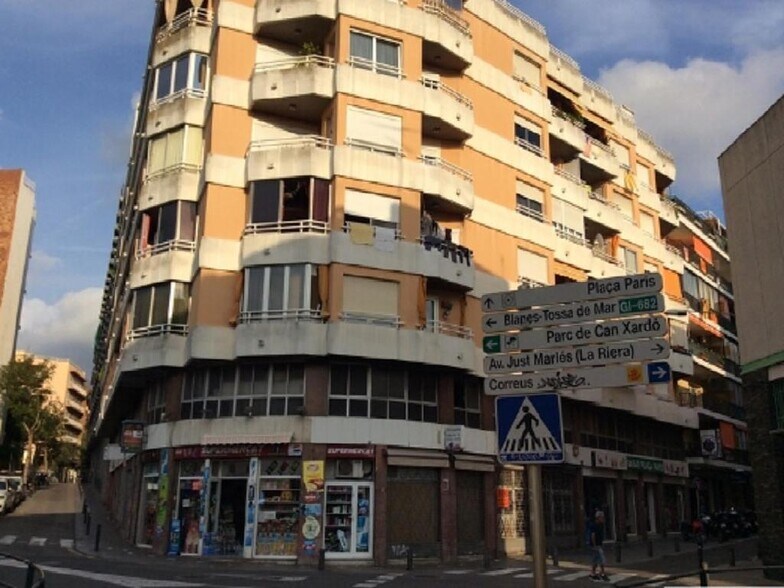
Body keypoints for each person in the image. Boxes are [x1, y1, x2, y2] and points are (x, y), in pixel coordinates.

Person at [589, 510, 610, 581]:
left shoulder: (600, 525)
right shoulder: (594, 525)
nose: (603, 519)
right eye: (602, 517)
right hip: (596, 546)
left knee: (595, 560)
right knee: (601, 559)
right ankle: (602, 574)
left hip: (598, 545)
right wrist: (595, 545)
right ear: (598, 518)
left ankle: (593, 574)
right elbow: (593, 535)